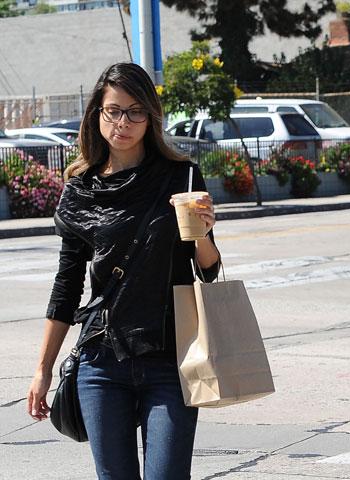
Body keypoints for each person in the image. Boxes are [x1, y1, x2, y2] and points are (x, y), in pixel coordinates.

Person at [27, 62, 221, 479]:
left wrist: (203, 234)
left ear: (150, 117)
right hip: (100, 361)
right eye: (113, 110)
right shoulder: (80, 190)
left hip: (170, 358)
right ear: (96, 114)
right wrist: (43, 370)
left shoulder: (180, 175)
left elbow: (208, 269)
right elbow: (66, 289)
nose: (123, 122)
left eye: (135, 111)